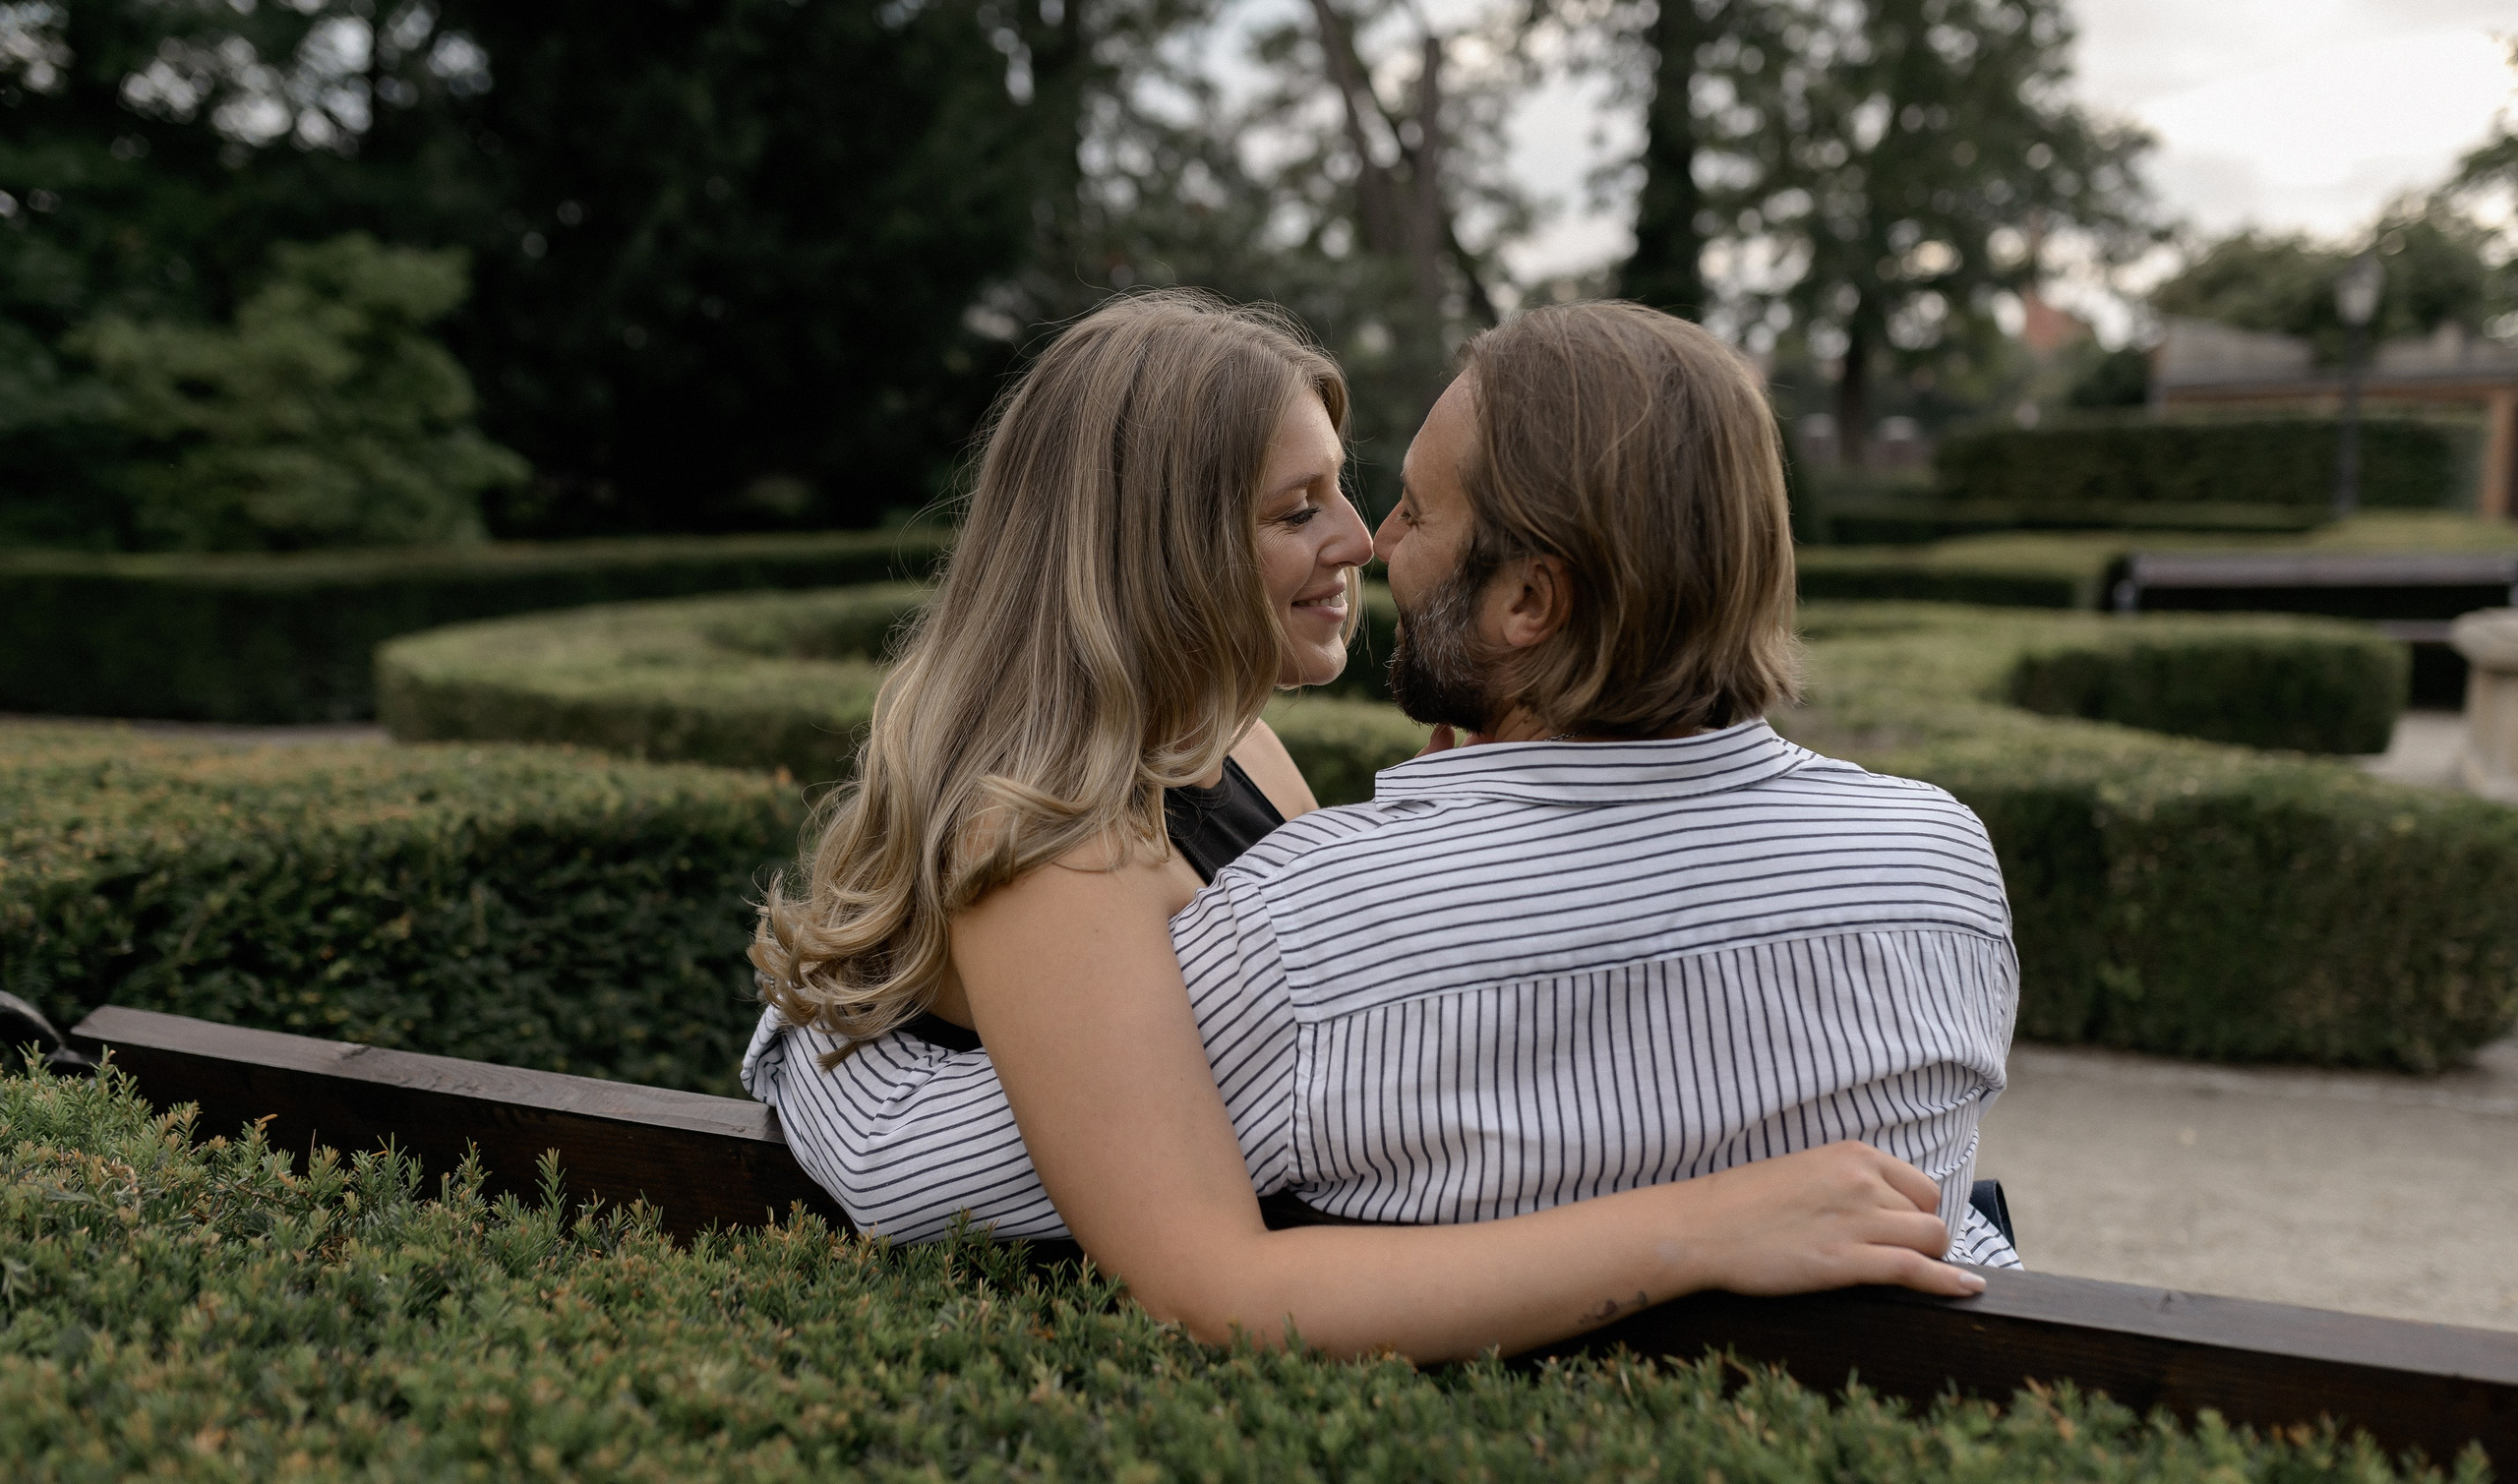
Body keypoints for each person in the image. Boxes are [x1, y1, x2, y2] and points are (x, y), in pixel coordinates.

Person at [746, 291, 2003, 1364]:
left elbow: (953, 1152)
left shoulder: (1252, 787)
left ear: (1529, 599)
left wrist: (809, 1036)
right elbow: (1131, 1206)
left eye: (1369, 497)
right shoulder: (1947, 852)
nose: (1362, 538)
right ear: (1155, 549)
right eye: (1303, 508)